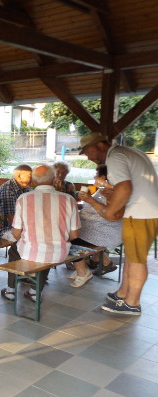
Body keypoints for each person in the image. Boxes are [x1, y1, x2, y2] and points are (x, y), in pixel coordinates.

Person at [79, 132, 158, 315]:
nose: (89, 157)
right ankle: (122, 293)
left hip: (140, 212)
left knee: (136, 260)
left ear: (100, 146)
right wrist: (112, 192)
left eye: (89, 152)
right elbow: (128, 185)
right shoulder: (129, 152)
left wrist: (110, 211)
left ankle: (132, 303)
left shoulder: (114, 157)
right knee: (131, 257)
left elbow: (125, 187)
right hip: (144, 211)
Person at [1, 164, 80, 302]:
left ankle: (10, 290)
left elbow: (16, 233)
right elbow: (74, 235)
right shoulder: (69, 199)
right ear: (54, 179)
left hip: (30, 251)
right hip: (59, 253)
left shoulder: (24, 198)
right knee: (48, 252)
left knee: (15, 250)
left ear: (33, 181)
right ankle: (34, 291)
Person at [66, 164, 121, 287]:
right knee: (67, 234)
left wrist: (89, 199)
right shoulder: (102, 190)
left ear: (103, 178)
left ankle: (83, 271)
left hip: (106, 231)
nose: (94, 178)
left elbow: (108, 214)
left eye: (96, 175)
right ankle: (88, 266)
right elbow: (92, 208)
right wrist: (80, 204)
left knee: (69, 240)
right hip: (95, 227)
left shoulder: (111, 193)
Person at [0, 164, 32, 242]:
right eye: (30, 175)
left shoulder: (25, 188)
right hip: (6, 229)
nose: (33, 178)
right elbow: (11, 218)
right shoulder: (8, 190)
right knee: (28, 238)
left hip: (21, 226)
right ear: (19, 176)